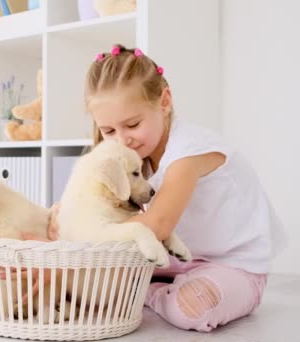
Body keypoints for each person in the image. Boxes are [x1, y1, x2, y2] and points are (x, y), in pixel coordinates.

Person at [17, 44, 287, 332]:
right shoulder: (133, 160)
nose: (122, 139)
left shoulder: (189, 151)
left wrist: (81, 238)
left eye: (132, 124)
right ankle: (145, 289)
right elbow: (94, 207)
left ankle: (145, 295)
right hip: (169, 266)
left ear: (164, 101)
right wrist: (65, 227)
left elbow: (157, 225)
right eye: (109, 131)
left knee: (190, 309)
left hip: (233, 268)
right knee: (93, 289)